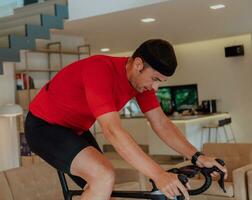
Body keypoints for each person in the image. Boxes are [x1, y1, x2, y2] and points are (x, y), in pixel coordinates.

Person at [25, 39, 227, 200]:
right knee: (103, 175)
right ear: (138, 64)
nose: (156, 88)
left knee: (104, 191)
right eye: (155, 79)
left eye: (161, 82)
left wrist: (197, 157)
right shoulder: (100, 69)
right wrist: (158, 174)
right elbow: (112, 131)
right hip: (43, 127)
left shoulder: (139, 83)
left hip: (75, 129)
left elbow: (161, 123)